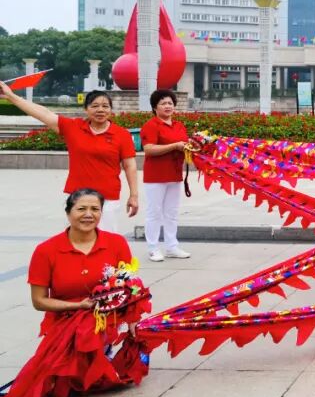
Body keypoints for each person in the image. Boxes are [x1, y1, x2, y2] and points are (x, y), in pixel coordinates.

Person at [0, 83, 138, 233]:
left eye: (105, 106)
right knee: (76, 238)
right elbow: (43, 113)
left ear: (111, 110)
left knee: (106, 239)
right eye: (95, 106)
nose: (100, 110)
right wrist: (11, 96)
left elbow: (130, 166)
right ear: (86, 109)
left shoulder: (121, 134)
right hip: (77, 196)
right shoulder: (73, 127)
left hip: (107, 198)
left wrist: (134, 195)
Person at [27, 189, 134, 337]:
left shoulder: (117, 243)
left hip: (104, 325)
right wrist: (77, 306)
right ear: (68, 213)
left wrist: (133, 320)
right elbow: (39, 301)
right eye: (81, 209)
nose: (88, 214)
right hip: (62, 327)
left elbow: (130, 288)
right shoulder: (46, 250)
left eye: (95, 209)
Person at [140, 89, 191, 262]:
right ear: (155, 107)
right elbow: (149, 149)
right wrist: (174, 146)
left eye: (170, 103)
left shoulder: (179, 125)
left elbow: (185, 145)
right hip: (156, 175)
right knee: (154, 213)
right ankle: (153, 248)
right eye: (163, 103)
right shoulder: (151, 125)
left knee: (172, 213)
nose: (167, 106)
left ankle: (171, 246)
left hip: (174, 174)